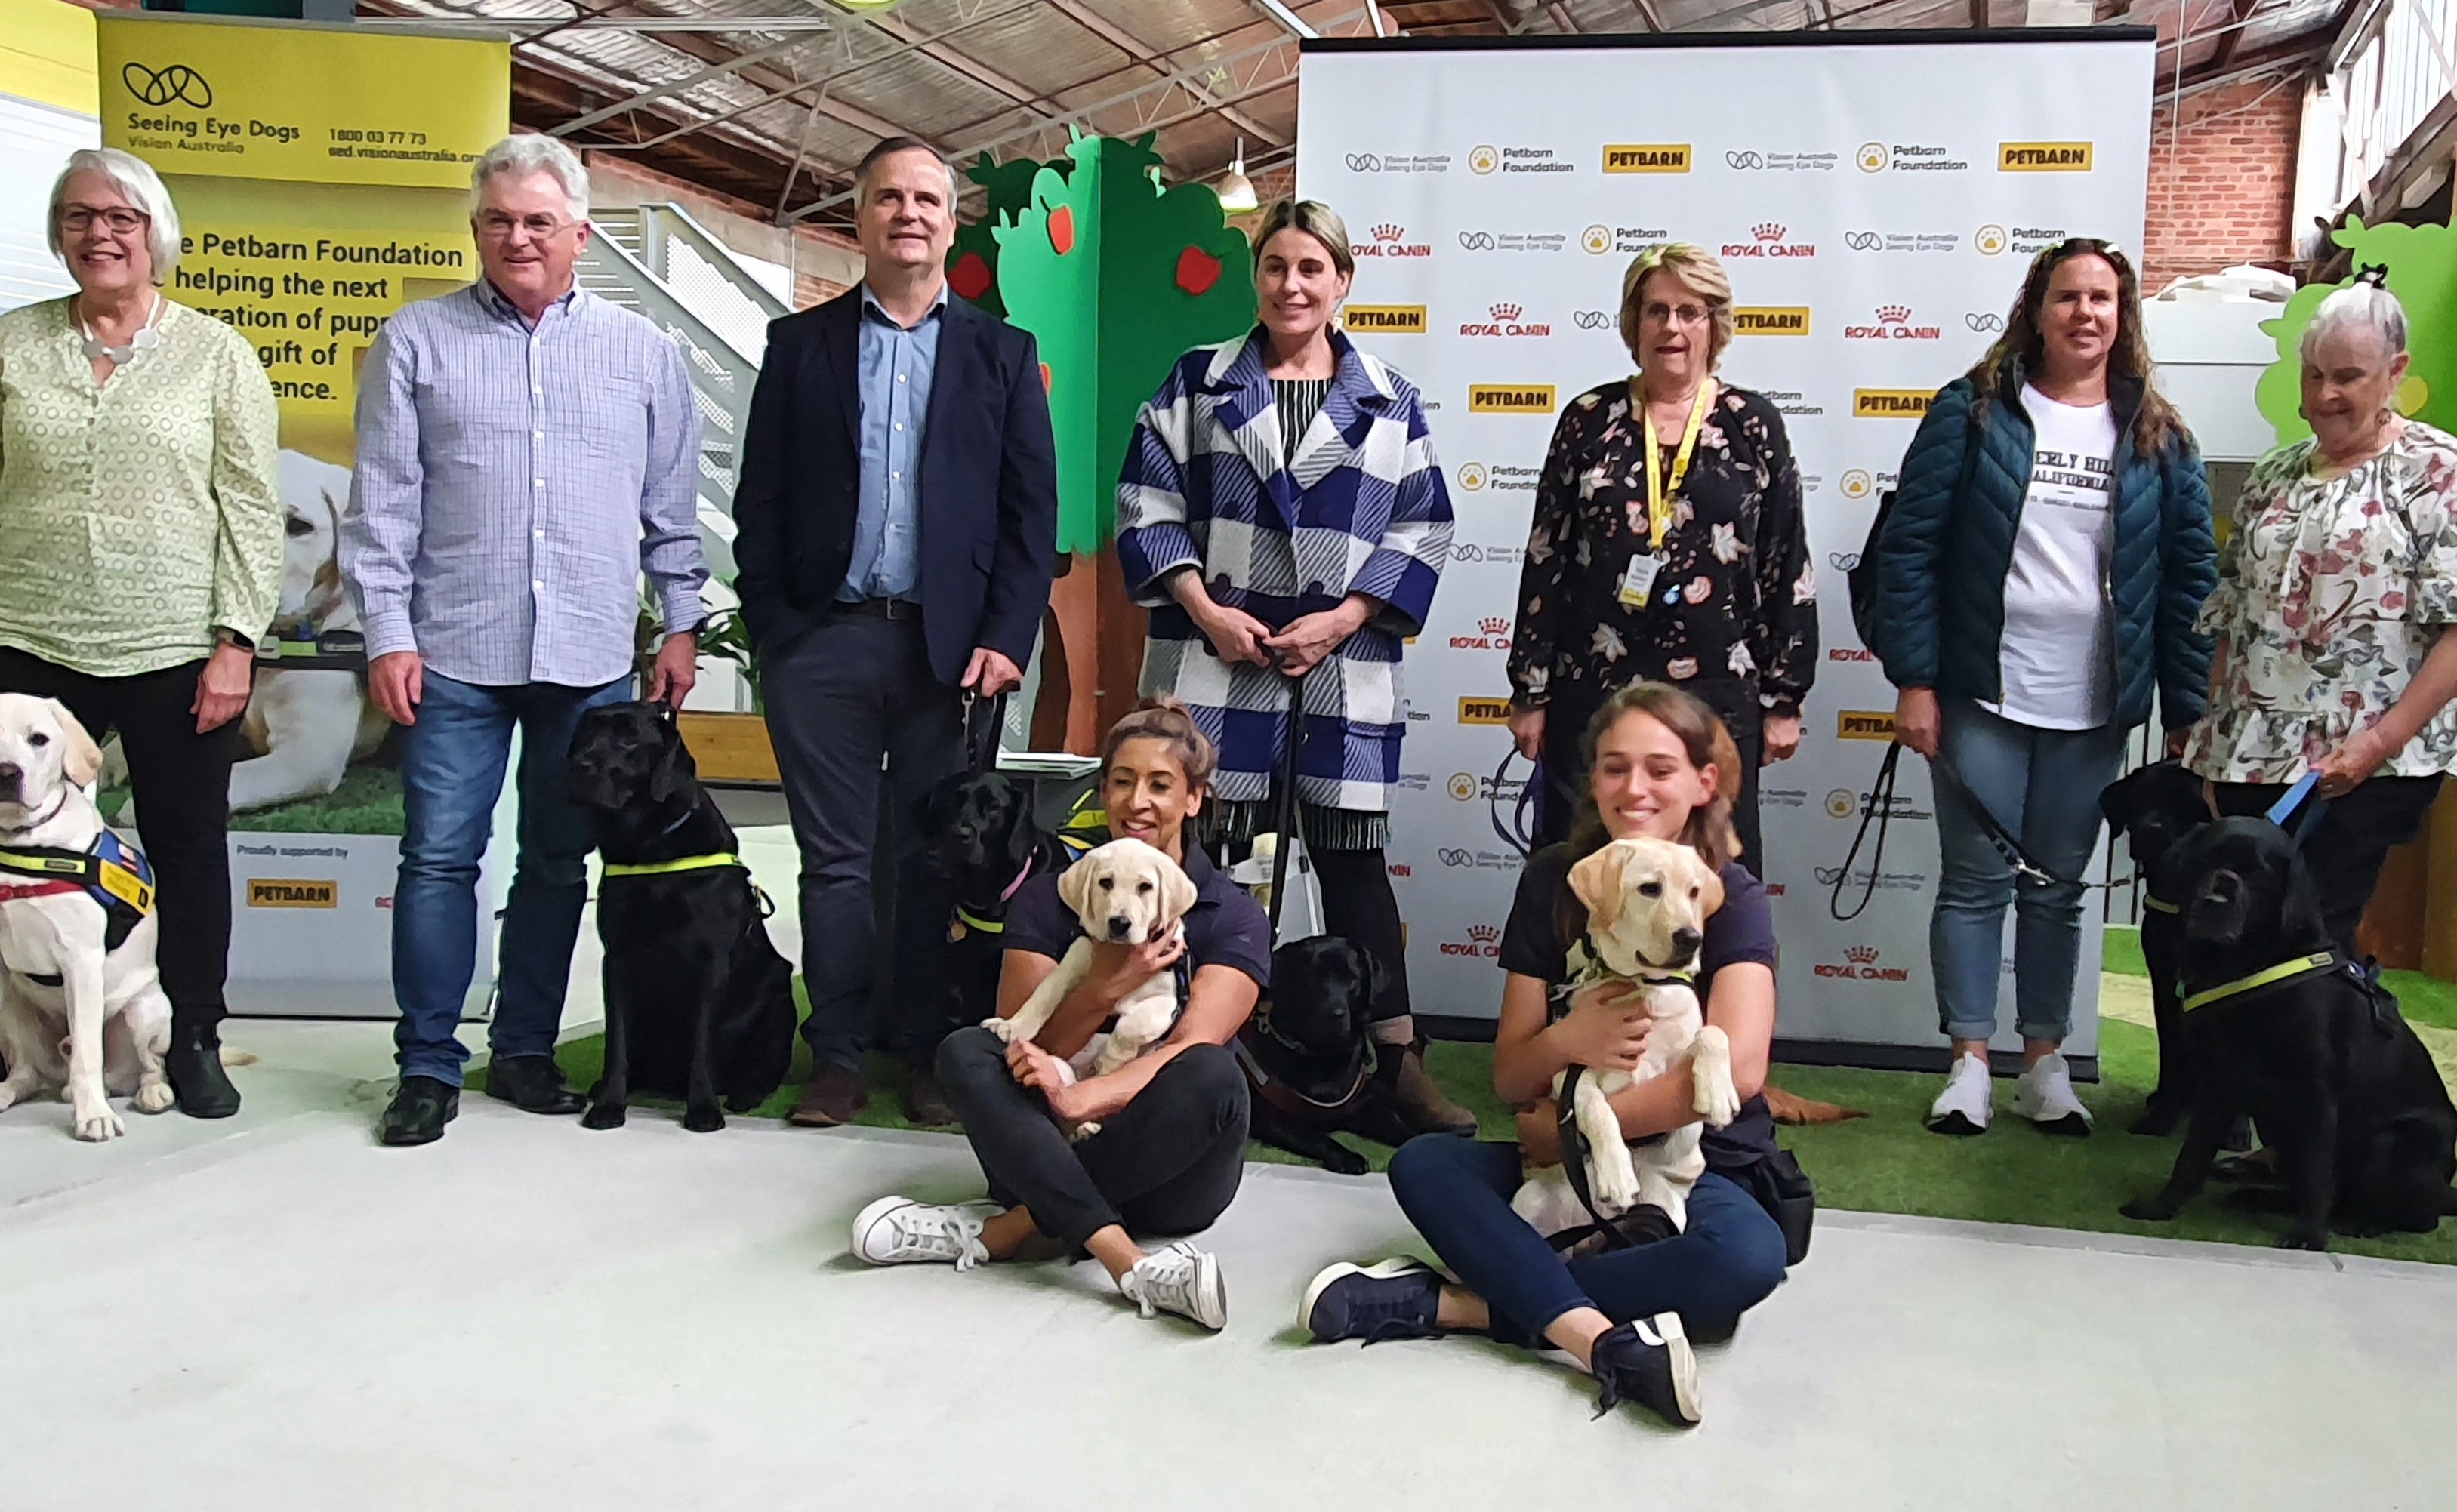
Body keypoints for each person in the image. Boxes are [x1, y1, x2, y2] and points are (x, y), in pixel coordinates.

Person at [1299, 683, 1790, 1427]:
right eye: (1614, 767)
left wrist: (1579, 1124)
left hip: (1698, 1167)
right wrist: (1568, 1041)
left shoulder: (1731, 896)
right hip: (1565, 1166)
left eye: (1660, 769)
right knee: (1424, 1164)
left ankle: (1458, 1306)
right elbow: (1510, 1075)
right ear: (1591, 778)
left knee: (1749, 1255)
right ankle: (1611, 1334)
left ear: (1704, 782)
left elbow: (1738, 1075)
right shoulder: (1555, 881)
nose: (1635, 788)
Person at [348, 134, 707, 1147]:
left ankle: (524, 1052)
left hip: (591, 655)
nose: (518, 237)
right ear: (475, 230)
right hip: (451, 647)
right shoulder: (416, 341)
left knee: (556, 866)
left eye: (539, 221)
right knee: (437, 861)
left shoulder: (642, 353)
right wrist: (384, 632)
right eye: (499, 220)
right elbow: (383, 506)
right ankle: (425, 1066)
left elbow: (669, 506)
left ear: (580, 234)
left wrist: (682, 621)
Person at [0, 146, 282, 1122]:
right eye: (82, 216)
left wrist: (235, 639)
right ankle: (1, 1051)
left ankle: (194, 1036)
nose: (103, 234)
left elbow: (252, 506)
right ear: (60, 233)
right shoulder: (6, 344)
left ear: (156, 233)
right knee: (3, 844)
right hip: (25, 635)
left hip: (173, 642)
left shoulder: (217, 354)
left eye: (123, 217)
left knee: (185, 843)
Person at [1118, 198, 1469, 1138]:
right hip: (1213, 657)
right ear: (1257, 277)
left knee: (1355, 865)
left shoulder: (1390, 396)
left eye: (1312, 268)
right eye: (1276, 266)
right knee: (1209, 860)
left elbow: (1425, 524)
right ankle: (1184, 1050)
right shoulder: (1196, 382)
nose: (1292, 284)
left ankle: (1396, 1062)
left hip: (1343, 660)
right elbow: (1144, 503)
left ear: (1343, 280)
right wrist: (1203, 607)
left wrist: (1345, 616)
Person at [734, 137, 1059, 1130]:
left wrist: (1007, 636)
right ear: (861, 216)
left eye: (926, 199)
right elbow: (762, 502)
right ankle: (835, 1055)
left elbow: (1027, 514)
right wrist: (776, 632)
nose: (907, 214)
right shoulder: (801, 347)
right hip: (820, 645)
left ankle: (923, 1053)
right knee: (831, 864)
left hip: (950, 655)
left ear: (950, 223)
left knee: (932, 863)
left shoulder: (1002, 356)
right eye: (888, 198)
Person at [1862, 238, 2217, 1137]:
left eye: (2103, 298)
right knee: (1976, 881)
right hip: (1981, 691)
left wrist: (2189, 714)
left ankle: (2046, 1062)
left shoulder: (2160, 437)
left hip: (2095, 704)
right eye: (2068, 296)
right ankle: (1970, 1065)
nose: (2086, 313)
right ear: (2038, 309)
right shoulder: (1972, 413)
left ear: (2123, 317)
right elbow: (1910, 549)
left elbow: (2187, 581)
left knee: (2059, 887)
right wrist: (1915, 680)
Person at [851, 700, 1266, 1331]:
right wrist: (1103, 987)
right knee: (968, 1049)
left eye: (1161, 785)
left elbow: (1190, 1044)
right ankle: (1127, 1261)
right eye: (1122, 781)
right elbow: (1028, 1041)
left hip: (1172, 1177)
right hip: (1046, 1147)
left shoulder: (1230, 912)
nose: (1138, 802)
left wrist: (1087, 1098)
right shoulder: (1056, 893)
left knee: (1214, 1073)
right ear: (1102, 791)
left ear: (1194, 799)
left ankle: (1006, 1232)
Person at [2182, 274, 2457, 959]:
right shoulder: (2273, 476)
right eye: (2313, 375)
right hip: (2257, 750)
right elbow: (2235, 613)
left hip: (2375, 758)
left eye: (2348, 377)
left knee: (2312, 931)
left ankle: (2315, 1066)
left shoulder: (2442, 471)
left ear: (2395, 373)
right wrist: (2209, 739)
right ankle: (2244, 1069)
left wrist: (2374, 746)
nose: (2325, 395)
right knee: (2244, 930)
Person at [1508, 242, 1817, 871]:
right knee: (1587, 870)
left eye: (1690, 312)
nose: (1671, 328)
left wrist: (1783, 700)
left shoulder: (1751, 424)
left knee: (1715, 875)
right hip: (1594, 688)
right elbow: (1547, 559)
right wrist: (1530, 691)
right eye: (1656, 312)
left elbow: (1787, 566)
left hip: (1717, 691)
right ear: (1633, 324)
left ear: (1714, 325)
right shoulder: (1588, 420)